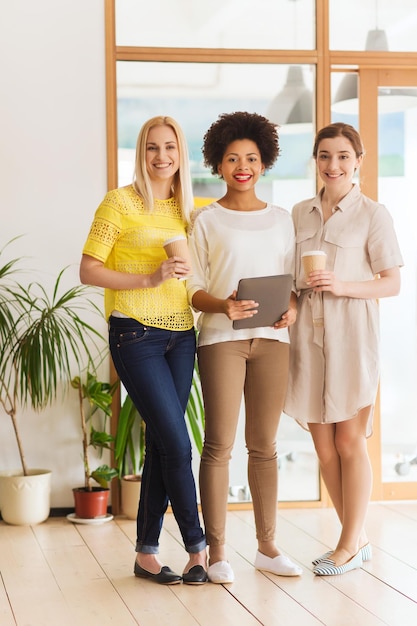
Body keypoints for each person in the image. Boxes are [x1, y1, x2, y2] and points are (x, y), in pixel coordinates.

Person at [80, 115, 207, 585]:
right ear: (141, 152)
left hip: (181, 335)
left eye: (170, 147)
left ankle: (146, 553)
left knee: (160, 441)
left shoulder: (187, 209)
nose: (161, 157)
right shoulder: (120, 202)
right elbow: (88, 269)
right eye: (152, 148)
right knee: (178, 442)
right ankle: (199, 549)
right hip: (135, 333)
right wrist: (148, 279)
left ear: (181, 154)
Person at [186, 111, 303, 584]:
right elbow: (192, 288)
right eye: (233, 158)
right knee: (218, 445)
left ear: (264, 161)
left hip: (274, 339)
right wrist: (223, 305)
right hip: (220, 339)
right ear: (218, 163)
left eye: (251, 158)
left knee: (265, 446)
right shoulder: (206, 219)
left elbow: (291, 279)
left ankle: (267, 546)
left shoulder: (281, 219)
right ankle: (216, 552)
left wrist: (291, 306)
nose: (242, 166)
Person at [284, 122, 403, 576]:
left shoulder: (374, 214)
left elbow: (391, 282)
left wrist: (342, 285)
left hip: (353, 333)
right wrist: (290, 306)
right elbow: (294, 282)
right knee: (324, 448)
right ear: (315, 160)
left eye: (342, 156)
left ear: (358, 160)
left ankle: (348, 545)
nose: (333, 165)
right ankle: (358, 538)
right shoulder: (299, 214)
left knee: (350, 441)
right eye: (324, 156)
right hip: (307, 338)